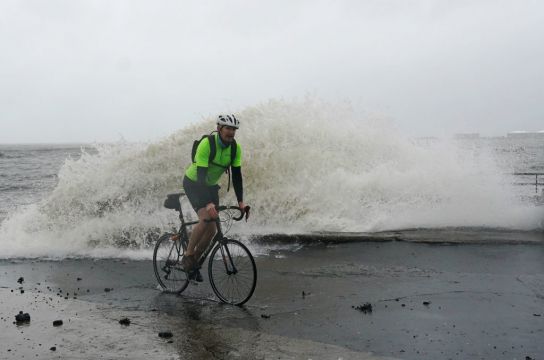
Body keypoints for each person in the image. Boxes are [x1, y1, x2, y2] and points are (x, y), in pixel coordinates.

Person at [181, 114, 247, 281]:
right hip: (194, 183)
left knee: (212, 229)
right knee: (205, 219)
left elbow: (237, 176)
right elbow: (201, 175)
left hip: (210, 186)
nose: (231, 132)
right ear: (219, 128)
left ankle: (195, 262)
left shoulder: (235, 148)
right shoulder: (207, 144)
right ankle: (188, 256)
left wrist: (241, 202)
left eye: (234, 129)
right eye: (228, 128)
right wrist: (208, 203)